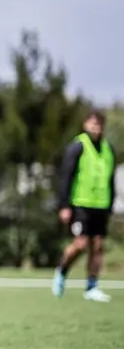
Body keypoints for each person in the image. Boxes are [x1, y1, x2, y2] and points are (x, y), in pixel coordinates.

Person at [52, 110, 116, 302]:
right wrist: (64, 205)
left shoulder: (108, 149)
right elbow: (66, 176)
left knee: (98, 246)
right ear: (85, 124)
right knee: (80, 244)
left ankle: (92, 286)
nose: (96, 127)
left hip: (101, 205)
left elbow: (111, 180)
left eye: (99, 124)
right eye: (93, 123)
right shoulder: (77, 146)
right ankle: (62, 270)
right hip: (81, 204)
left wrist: (110, 205)